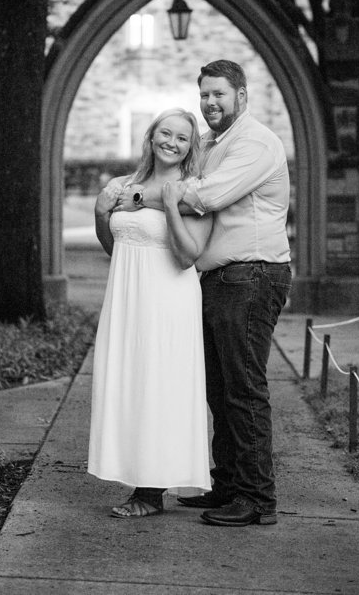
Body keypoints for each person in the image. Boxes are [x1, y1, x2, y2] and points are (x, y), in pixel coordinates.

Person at [120, 59, 291, 527]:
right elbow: (185, 187)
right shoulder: (218, 145)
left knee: (243, 388)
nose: (210, 102)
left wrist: (136, 196)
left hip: (252, 275)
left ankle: (258, 499)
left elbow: (204, 196)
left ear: (242, 95)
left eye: (219, 93)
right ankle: (230, 485)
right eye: (205, 95)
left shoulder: (255, 142)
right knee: (219, 390)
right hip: (220, 278)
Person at [88, 107, 213, 518]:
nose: (172, 142)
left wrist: (172, 206)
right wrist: (101, 214)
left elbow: (187, 257)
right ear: (151, 136)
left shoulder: (194, 189)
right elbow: (115, 247)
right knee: (129, 384)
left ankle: (150, 492)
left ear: (190, 146)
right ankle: (133, 472)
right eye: (166, 133)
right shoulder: (125, 185)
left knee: (160, 387)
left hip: (168, 299)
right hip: (126, 297)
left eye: (182, 137)